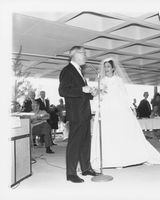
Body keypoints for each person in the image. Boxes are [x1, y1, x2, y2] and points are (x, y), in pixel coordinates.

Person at [91, 57, 160, 170]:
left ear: (113, 68)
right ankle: (107, 159)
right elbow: (99, 96)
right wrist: (96, 95)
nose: (106, 69)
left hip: (118, 110)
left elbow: (124, 95)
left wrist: (131, 107)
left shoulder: (118, 80)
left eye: (108, 66)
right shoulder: (102, 81)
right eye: (105, 67)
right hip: (106, 110)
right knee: (108, 133)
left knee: (120, 133)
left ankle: (121, 159)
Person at [59, 46, 98, 183]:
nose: (86, 55)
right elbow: (63, 91)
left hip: (84, 113)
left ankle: (86, 168)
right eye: (83, 53)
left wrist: (91, 93)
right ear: (74, 55)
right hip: (76, 113)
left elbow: (80, 93)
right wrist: (82, 88)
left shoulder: (79, 71)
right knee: (75, 143)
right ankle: (71, 173)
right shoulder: (67, 70)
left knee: (85, 142)